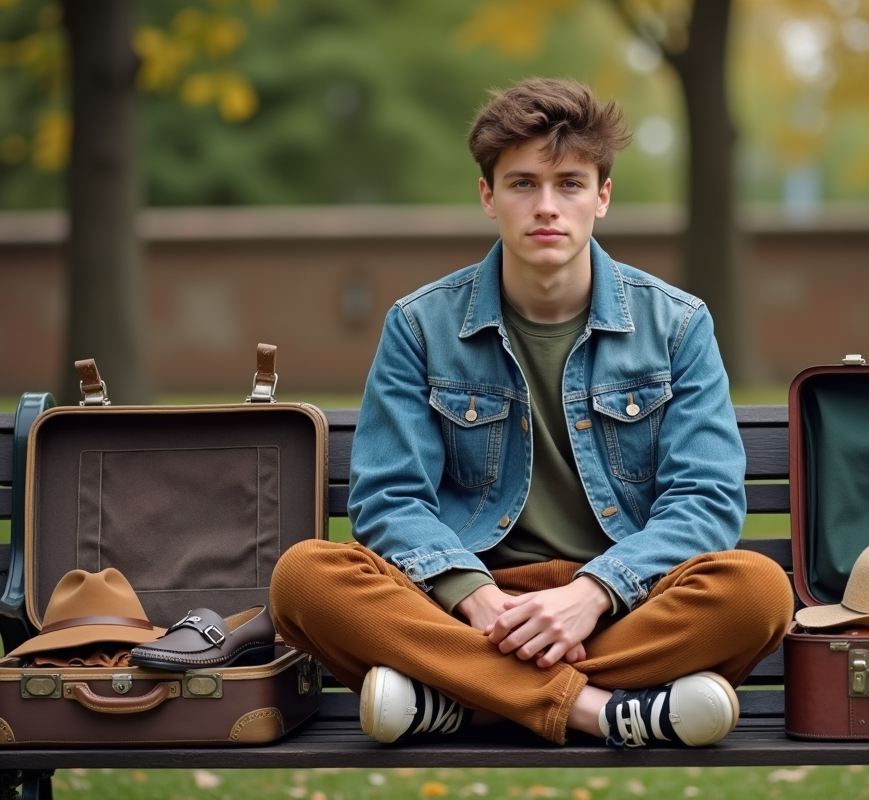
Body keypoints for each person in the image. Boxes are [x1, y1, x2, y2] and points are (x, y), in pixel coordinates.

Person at [270, 77, 794, 749]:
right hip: (463, 610)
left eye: (570, 184)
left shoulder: (677, 325)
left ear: (603, 197)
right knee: (305, 579)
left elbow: (705, 501)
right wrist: (476, 596)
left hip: (622, 606)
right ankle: (607, 712)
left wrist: (593, 593)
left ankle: (460, 701)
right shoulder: (420, 326)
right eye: (522, 184)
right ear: (488, 196)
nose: (547, 206)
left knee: (757, 592)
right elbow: (389, 498)